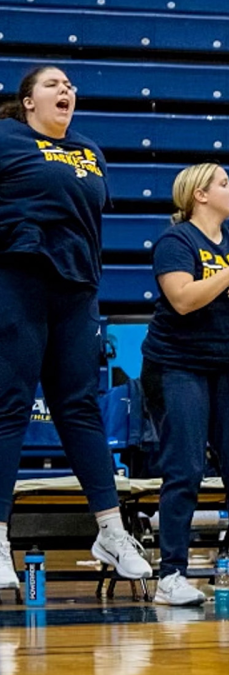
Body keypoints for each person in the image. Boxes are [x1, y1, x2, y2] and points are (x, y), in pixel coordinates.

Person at [0, 65, 151, 589]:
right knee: (10, 405)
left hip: (77, 288)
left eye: (69, 86)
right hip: (19, 280)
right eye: (52, 85)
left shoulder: (89, 149)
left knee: (80, 407)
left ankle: (110, 531)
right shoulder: (6, 138)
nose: (65, 90)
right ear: (27, 102)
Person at [141, 163, 229, 606]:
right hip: (176, 366)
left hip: (226, 366)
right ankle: (171, 575)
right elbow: (183, 299)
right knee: (183, 469)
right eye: (224, 183)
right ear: (200, 195)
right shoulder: (176, 242)